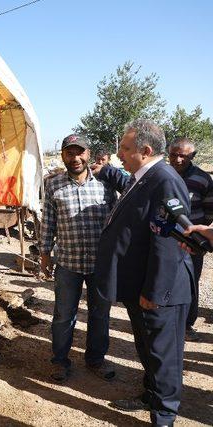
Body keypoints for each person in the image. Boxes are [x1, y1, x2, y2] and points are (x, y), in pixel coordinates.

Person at [94, 120, 193, 427]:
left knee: (163, 355)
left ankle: (164, 415)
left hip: (160, 292)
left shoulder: (164, 180)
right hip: (143, 287)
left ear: (145, 151)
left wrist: (154, 293)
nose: (119, 154)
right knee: (147, 348)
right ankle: (151, 395)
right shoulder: (143, 178)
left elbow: (168, 244)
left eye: (124, 148)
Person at [39, 134, 117, 383]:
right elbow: (48, 222)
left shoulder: (105, 184)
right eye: (69, 153)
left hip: (99, 265)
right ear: (62, 155)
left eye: (79, 152)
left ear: (88, 154)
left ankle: (96, 360)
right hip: (68, 264)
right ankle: (59, 361)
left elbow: (113, 223)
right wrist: (44, 254)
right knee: (63, 315)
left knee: (100, 314)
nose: (75, 158)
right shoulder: (52, 184)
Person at [168, 137, 213, 342]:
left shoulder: (203, 179)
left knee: (190, 283)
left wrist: (200, 236)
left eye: (183, 156)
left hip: (192, 244)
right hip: (164, 240)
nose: (177, 159)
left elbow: (210, 212)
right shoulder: (161, 175)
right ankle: (165, 321)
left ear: (192, 157)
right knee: (163, 280)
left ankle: (187, 324)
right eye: (174, 155)